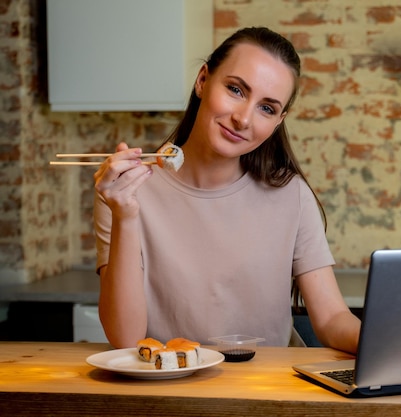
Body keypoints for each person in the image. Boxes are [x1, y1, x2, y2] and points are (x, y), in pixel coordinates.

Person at [93, 27, 361, 353]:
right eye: (236, 89)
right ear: (203, 80)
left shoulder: (292, 194)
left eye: (267, 108)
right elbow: (126, 338)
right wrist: (125, 215)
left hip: (271, 389)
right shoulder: (125, 191)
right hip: (172, 387)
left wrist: (384, 341)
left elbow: (332, 317)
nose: (243, 119)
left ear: (279, 120)